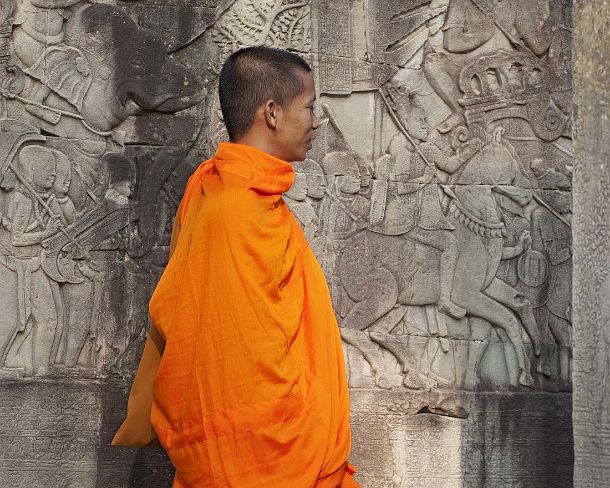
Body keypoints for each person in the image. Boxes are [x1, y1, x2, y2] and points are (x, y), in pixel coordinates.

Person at [113, 47, 359, 488]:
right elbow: (236, 357)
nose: (317, 121)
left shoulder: (235, 194)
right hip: (264, 453)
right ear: (272, 113)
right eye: (309, 107)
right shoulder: (232, 209)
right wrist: (307, 418)